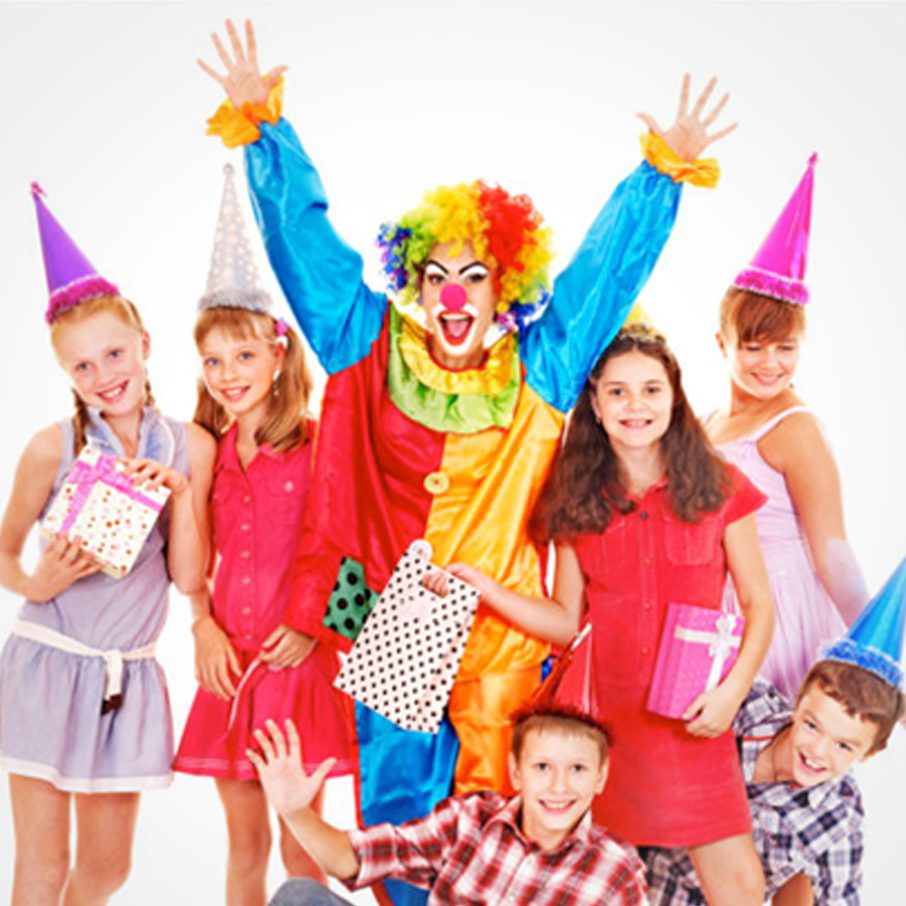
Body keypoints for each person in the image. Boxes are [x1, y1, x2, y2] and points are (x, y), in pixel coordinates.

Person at [197, 26, 736, 903]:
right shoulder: (367, 344)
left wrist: (659, 177)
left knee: (500, 807)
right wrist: (264, 130)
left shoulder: (544, 368)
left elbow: (601, 272)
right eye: (439, 274)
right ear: (414, 280)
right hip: (395, 616)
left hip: (504, 629)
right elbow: (306, 251)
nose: (455, 294)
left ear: (504, 288)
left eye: (476, 276)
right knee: (402, 813)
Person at [438, 324, 775, 905]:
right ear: (594, 402)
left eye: (650, 390)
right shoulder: (576, 500)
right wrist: (486, 589)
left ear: (675, 396)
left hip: (696, 722)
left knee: (740, 889)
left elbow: (758, 604)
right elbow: (566, 621)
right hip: (610, 738)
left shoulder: (720, 486)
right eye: (616, 392)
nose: (635, 406)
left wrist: (731, 694)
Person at [0, 186, 214, 905]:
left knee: (109, 868)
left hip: (127, 684)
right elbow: (3, 551)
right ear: (67, 375)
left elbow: (189, 578)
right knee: (40, 865)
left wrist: (179, 495)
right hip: (44, 667)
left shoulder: (191, 446)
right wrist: (35, 582)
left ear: (145, 345)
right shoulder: (50, 448)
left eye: (114, 353)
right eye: (82, 367)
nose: (104, 376)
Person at [173, 164, 355, 905]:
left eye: (244, 356)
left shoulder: (318, 445)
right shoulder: (205, 451)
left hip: (298, 666)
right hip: (232, 666)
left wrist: (315, 629)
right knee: (243, 842)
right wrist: (200, 627)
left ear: (278, 355)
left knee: (300, 837)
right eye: (213, 361)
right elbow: (193, 562)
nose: (228, 374)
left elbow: (353, 547)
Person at [645, 556, 906, 905]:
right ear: (797, 703)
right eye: (813, 725)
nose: (818, 751)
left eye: (844, 746)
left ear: (869, 753)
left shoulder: (839, 818)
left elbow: (841, 897)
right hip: (645, 864)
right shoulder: (747, 706)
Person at [705, 155, 869, 700]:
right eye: (753, 347)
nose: (770, 364)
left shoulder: (794, 428)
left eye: (786, 348)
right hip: (719, 618)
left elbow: (833, 550)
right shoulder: (708, 425)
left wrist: (874, 653)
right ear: (722, 343)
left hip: (780, 613)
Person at [249, 705, 648, 905]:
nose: (559, 786)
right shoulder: (471, 819)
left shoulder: (616, 869)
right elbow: (352, 860)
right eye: (542, 767)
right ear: (516, 772)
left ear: (600, 777)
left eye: (577, 769)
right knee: (300, 896)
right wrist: (294, 811)